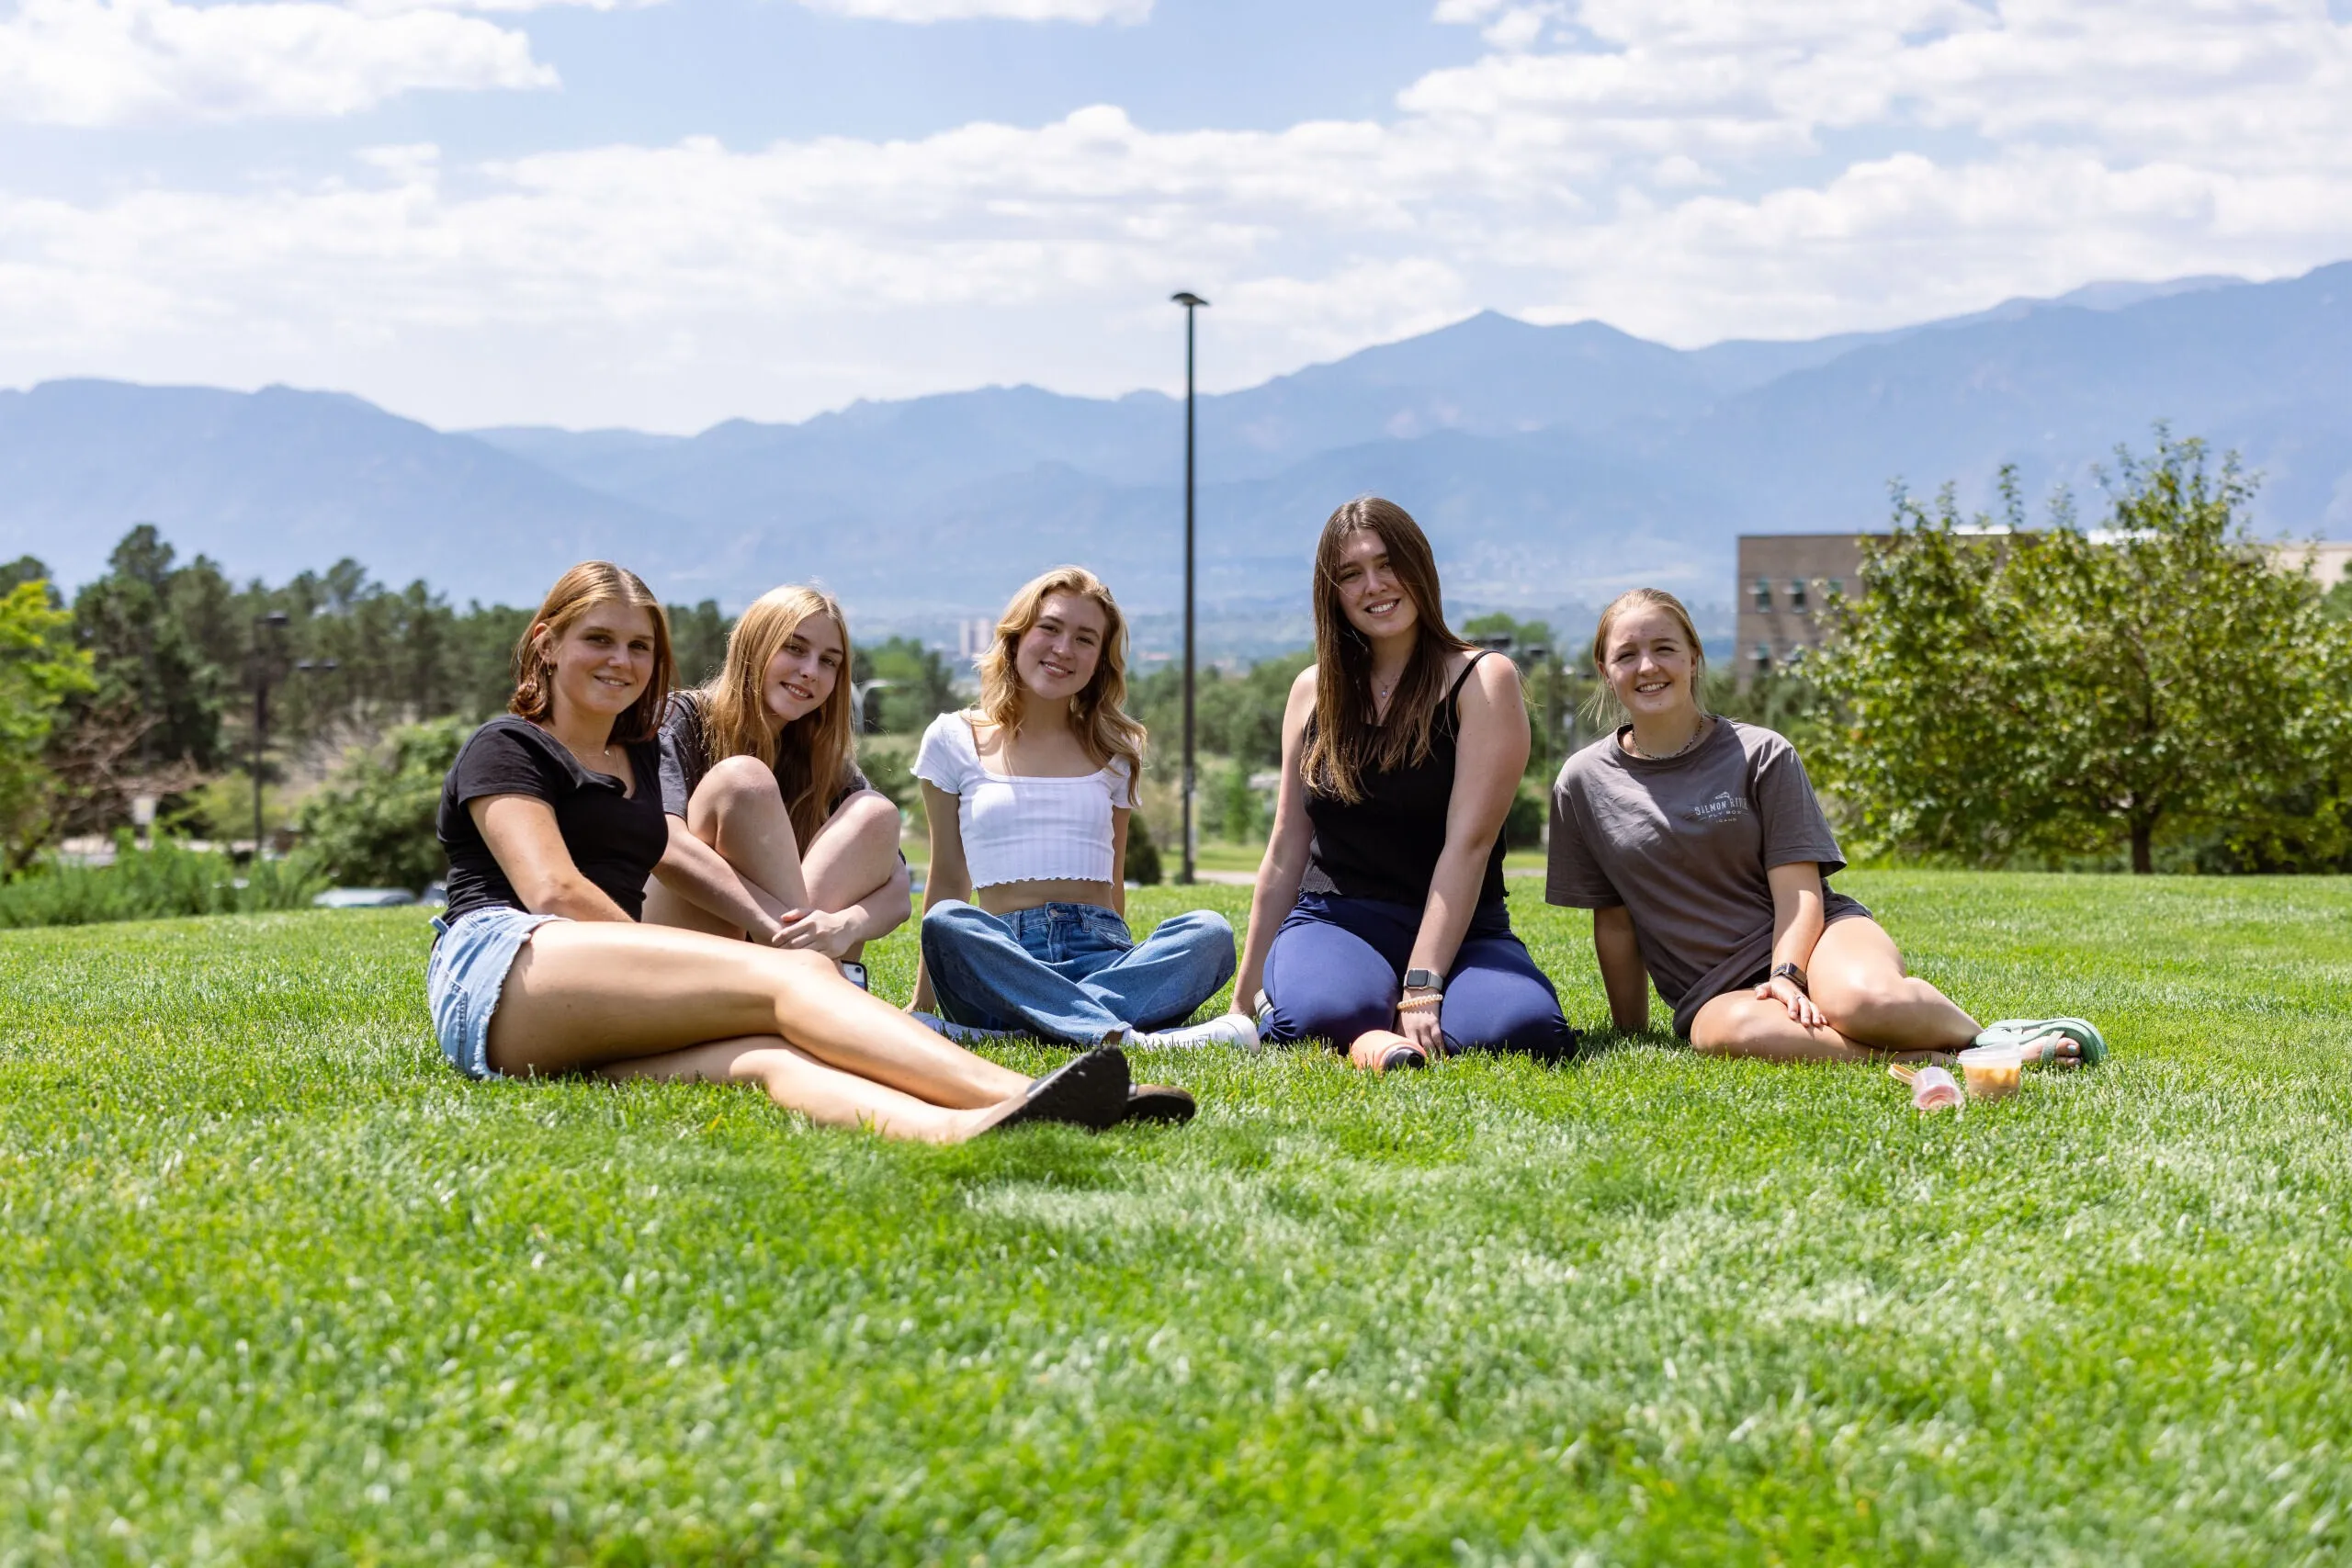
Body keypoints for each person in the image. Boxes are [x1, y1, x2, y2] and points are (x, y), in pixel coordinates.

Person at [425, 560, 1145, 1142]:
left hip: (585, 1003)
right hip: (504, 969)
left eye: (639, 646)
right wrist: (732, 956)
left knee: (770, 1057)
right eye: (599, 640)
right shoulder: (509, 745)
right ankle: (1029, 1089)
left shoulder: (636, 758)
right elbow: (552, 893)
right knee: (791, 977)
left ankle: (963, 1127)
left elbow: (889, 875)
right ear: (546, 642)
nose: (623, 660)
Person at [1545, 587, 2101, 1065]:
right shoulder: (1583, 781)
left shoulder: (1762, 752)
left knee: (1867, 1005)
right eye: (1628, 655)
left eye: (1664, 648)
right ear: (1605, 671)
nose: (1648, 667)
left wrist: (1787, 974)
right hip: (1714, 989)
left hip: (1816, 939)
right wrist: (1629, 1033)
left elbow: (1800, 890)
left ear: (1693, 657)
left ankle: (1986, 1037)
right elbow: (1614, 921)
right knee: (1728, 1034)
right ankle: (1937, 1059)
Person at [1232, 498, 1576, 1070]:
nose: (1374, 585)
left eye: (1388, 563)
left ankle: (1382, 1024)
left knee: (1527, 1030)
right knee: (1316, 1017)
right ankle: (1363, 1032)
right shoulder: (1312, 690)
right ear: (1332, 593)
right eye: (1350, 574)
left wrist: (1422, 984)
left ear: (1421, 567)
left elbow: (1469, 845)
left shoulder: (1483, 679)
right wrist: (1242, 1005)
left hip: (1465, 930)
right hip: (1338, 919)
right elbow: (1286, 847)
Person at [910, 565, 1250, 1049]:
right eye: (1049, 628)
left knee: (1210, 933)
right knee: (946, 923)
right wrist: (924, 1001)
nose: (1063, 649)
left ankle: (1024, 1029)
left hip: (1102, 952)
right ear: (1017, 635)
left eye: (1085, 639)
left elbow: (1112, 884)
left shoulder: (1116, 749)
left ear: (1099, 661)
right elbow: (947, 877)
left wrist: (1126, 964)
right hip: (1003, 957)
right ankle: (1131, 1036)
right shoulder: (952, 739)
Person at [642, 584, 910, 987]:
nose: (810, 671)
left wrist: (844, 925)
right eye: (795, 648)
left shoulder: (821, 761)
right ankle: (811, 983)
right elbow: (665, 848)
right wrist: (784, 933)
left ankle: (793, 989)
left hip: (772, 951)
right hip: (666, 947)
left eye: (829, 662)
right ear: (755, 644)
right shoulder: (680, 716)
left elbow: (899, 888)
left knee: (875, 813)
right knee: (744, 780)